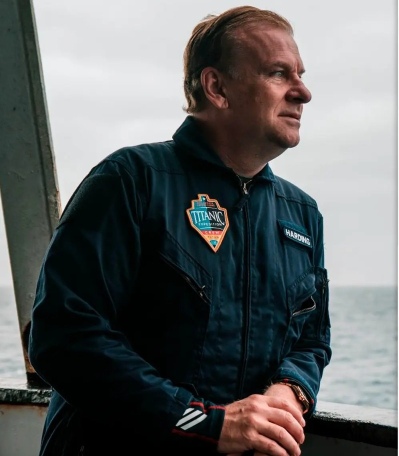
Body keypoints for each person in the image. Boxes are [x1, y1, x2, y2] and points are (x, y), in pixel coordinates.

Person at [27, 6, 330, 456]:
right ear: (217, 87)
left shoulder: (302, 215)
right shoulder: (130, 181)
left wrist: (291, 389)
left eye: (299, 74)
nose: (303, 92)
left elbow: (312, 340)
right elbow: (64, 338)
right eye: (278, 74)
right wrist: (205, 423)